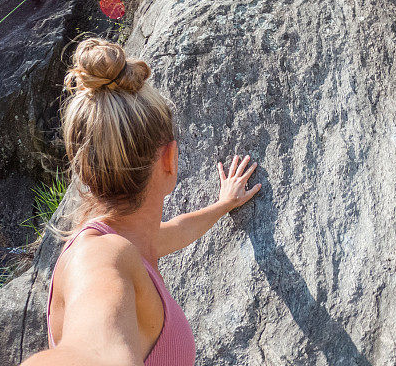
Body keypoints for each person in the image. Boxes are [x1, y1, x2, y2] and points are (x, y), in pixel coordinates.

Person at [21, 38, 261, 366]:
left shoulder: (126, 239)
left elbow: (170, 233)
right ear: (169, 159)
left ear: (84, 167)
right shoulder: (99, 258)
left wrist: (223, 205)